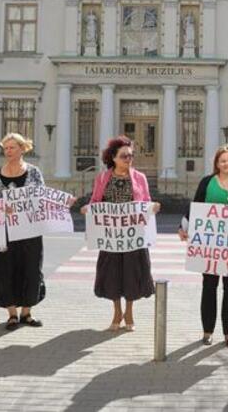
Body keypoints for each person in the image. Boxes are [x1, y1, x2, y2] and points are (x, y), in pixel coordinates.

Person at [178, 146, 228, 348]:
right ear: (217, 164)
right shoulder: (207, 182)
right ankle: (207, 332)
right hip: (210, 247)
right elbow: (194, 208)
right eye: (223, 161)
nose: (227, 164)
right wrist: (183, 228)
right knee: (209, 288)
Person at [83, 136, 159, 332]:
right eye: (124, 156)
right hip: (111, 236)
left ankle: (130, 312)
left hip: (134, 236)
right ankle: (117, 312)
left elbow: (147, 201)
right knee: (112, 274)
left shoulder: (140, 178)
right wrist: (88, 209)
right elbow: (95, 202)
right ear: (113, 158)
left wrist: (154, 207)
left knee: (133, 273)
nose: (128, 159)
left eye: (131, 156)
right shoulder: (102, 178)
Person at [0, 133, 46, 330]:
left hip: (30, 230)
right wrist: (1, 207)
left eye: (12, 147)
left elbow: (42, 197)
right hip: (5, 230)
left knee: (31, 267)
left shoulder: (34, 172)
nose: (8, 151)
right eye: (6, 148)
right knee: (6, 269)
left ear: (22, 149)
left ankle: (27, 312)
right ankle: (12, 314)